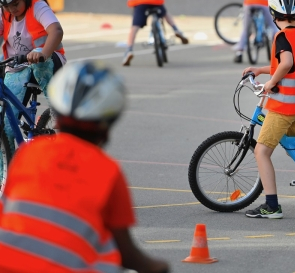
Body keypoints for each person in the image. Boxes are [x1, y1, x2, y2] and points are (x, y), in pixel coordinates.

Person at [0, 61, 170, 273]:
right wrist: (159, 267)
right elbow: (126, 253)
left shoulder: (28, 153)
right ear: (107, 127)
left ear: (58, 119)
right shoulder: (107, 171)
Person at [241, 0, 295, 218]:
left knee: (262, 152)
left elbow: (285, 63)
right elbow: (291, 65)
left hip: (284, 106)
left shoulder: (282, 36)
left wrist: (269, 83)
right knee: (294, 147)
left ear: (273, 14)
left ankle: (272, 205)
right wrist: (262, 70)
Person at [0, 0, 65, 153]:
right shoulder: (4, 13)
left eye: (16, 4)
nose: (12, 9)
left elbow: (56, 31)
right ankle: (7, 176)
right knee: (7, 128)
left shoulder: (38, 7)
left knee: (39, 63)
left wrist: (43, 52)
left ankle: (56, 110)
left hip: (47, 61)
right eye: (6, 6)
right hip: (17, 68)